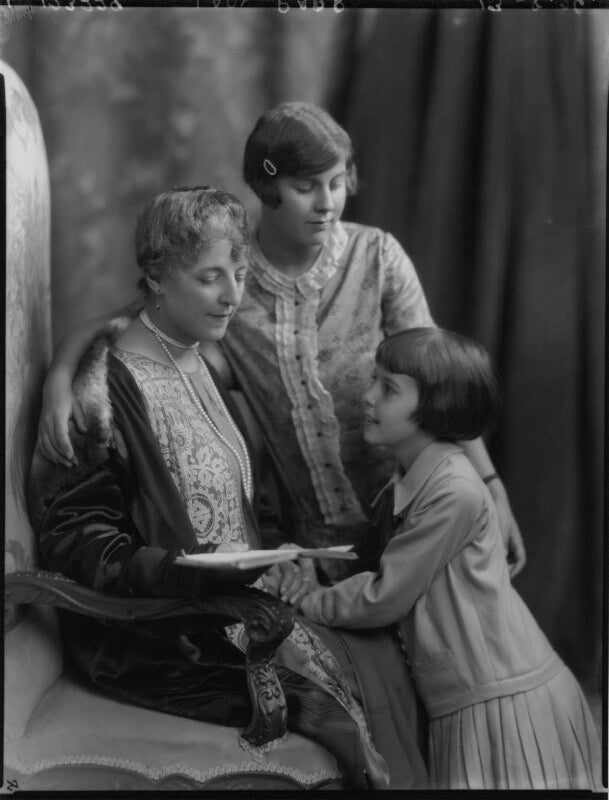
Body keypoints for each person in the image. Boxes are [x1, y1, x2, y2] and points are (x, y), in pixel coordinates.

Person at [29, 187, 428, 791]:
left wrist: (277, 558)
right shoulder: (97, 393)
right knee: (348, 691)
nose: (233, 295)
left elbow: (243, 501)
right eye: (210, 277)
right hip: (167, 635)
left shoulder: (203, 358)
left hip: (240, 604)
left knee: (387, 659)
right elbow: (77, 542)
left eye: (239, 273)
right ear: (159, 278)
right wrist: (197, 573)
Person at [37, 101, 525, 582]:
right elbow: (126, 316)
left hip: (413, 507)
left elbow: (441, 384)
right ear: (268, 186)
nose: (327, 204)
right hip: (314, 541)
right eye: (305, 187)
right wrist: (60, 379)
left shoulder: (377, 257)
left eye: (337, 184)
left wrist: (489, 485)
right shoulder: (230, 275)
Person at [299, 327, 601, 790]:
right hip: (472, 696)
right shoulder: (415, 477)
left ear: (435, 408)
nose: (367, 397)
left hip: (502, 702)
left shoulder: (453, 491)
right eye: (374, 381)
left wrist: (311, 601)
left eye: (388, 388)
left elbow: (385, 595)